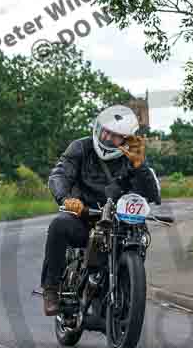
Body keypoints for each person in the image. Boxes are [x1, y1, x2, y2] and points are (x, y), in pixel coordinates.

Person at [39, 105, 162, 316]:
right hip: (84, 217)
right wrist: (66, 199)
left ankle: (127, 288)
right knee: (59, 225)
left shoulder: (133, 157)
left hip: (119, 222)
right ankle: (51, 289)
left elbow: (152, 194)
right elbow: (59, 175)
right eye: (105, 132)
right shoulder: (80, 148)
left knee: (138, 239)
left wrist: (139, 165)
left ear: (127, 139)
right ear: (97, 129)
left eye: (115, 136)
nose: (107, 138)